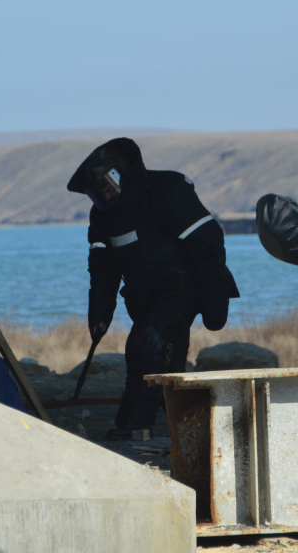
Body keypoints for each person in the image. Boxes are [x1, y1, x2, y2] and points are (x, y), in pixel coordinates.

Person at [67, 137, 239, 440]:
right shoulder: (102, 218)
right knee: (167, 356)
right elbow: (102, 268)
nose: (104, 195)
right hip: (144, 297)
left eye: (109, 184)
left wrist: (215, 302)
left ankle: (135, 424)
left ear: (124, 175)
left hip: (184, 284)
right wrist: (100, 311)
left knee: (145, 343)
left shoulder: (167, 190)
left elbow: (208, 242)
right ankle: (181, 416)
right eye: (97, 192)